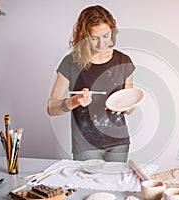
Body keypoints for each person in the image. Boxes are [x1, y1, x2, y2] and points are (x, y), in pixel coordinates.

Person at [47, 5, 135, 162]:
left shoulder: (124, 61)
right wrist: (74, 101)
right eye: (94, 38)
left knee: (114, 186)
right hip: (85, 145)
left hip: (119, 144)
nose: (102, 44)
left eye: (106, 36)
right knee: (88, 187)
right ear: (84, 36)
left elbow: (130, 105)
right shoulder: (71, 62)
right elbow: (51, 108)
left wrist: (126, 107)